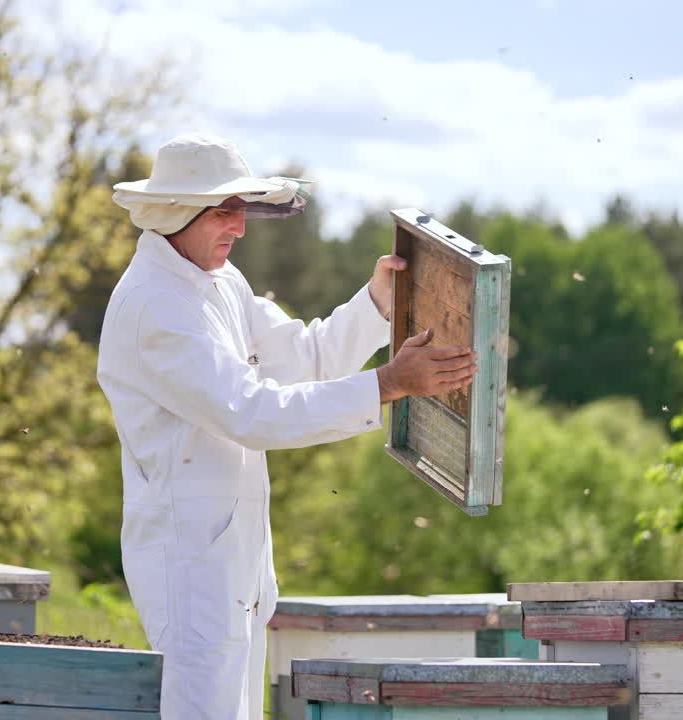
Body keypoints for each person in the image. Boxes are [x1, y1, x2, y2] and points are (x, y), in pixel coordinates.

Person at [96, 133, 478, 720]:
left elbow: (303, 357)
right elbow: (252, 412)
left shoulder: (220, 283)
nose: (240, 228)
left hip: (231, 559)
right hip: (190, 564)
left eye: (242, 211)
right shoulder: (156, 307)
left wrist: (376, 303)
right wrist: (388, 384)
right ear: (177, 210)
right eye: (226, 212)